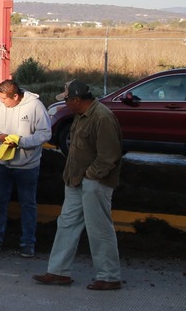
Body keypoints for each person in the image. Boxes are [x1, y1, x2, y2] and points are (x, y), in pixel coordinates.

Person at [34, 80, 124, 291]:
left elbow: (109, 156)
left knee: (99, 227)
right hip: (75, 180)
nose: (64, 104)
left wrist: (90, 176)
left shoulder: (102, 117)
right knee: (66, 224)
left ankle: (109, 276)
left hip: (95, 182)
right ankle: (58, 272)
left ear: (76, 100)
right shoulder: (81, 116)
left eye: (66, 100)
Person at [0, 79, 51, 257]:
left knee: (28, 204)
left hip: (27, 166)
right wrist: (0, 137)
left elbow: (45, 133)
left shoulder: (35, 106)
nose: (1, 102)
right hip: (2, 164)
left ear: (16, 96)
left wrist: (22, 142)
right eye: (0, 98)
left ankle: (28, 243)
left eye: (5, 99)